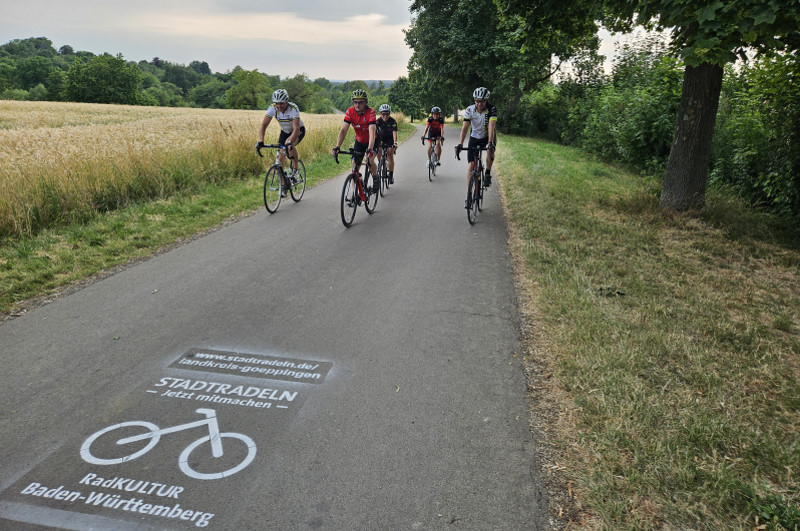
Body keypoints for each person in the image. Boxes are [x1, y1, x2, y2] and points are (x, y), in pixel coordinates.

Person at [256, 89, 305, 195]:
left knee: (289, 145)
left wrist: (290, 141)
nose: (279, 106)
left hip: (298, 130)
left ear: (287, 101)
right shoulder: (272, 108)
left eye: (282, 103)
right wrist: (261, 141)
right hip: (284, 131)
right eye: (277, 103)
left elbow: (296, 128)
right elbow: (263, 125)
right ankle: (283, 185)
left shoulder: (293, 108)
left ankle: (296, 169)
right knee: (280, 156)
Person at [456, 87, 497, 207]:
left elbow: (491, 126)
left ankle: (488, 173)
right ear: (474, 100)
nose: (479, 104)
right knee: (471, 166)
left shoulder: (492, 109)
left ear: (487, 101)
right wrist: (460, 144)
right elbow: (465, 128)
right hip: (474, 138)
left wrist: (489, 143)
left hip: (487, 136)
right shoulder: (469, 109)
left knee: (491, 151)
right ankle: (469, 195)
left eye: (482, 101)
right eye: (477, 101)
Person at [332, 89, 378, 192]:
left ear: (365, 103)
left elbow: (372, 131)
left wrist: (370, 148)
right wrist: (337, 146)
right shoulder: (350, 112)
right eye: (355, 102)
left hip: (372, 140)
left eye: (360, 102)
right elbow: (344, 130)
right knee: (354, 167)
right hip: (360, 141)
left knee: (369, 160)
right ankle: (354, 195)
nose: (357, 104)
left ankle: (376, 178)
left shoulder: (371, 112)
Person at [375, 103, 398, 184]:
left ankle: (391, 175)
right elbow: (374, 132)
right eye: (383, 114)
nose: (385, 116)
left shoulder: (393, 121)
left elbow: (394, 133)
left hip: (390, 139)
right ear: (380, 113)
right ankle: (380, 162)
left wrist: (395, 143)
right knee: (378, 149)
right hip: (381, 138)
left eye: (387, 114)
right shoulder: (377, 121)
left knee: (390, 154)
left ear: (389, 113)